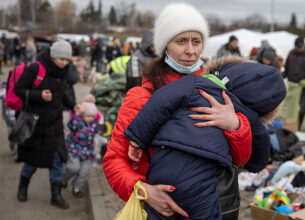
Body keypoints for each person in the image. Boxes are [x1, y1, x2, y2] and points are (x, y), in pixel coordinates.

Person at [103, 3, 266, 220]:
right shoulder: (142, 97)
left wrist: (235, 125)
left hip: (212, 206)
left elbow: (242, 159)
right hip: (158, 212)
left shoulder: (218, 91)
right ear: (164, 47)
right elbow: (114, 160)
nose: (190, 50)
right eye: (181, 41)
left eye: (196, 41)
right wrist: (143, 191)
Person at [125, 57, 286, 219]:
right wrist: (242, 123)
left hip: (162, 163)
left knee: (157, 215)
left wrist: (136, 139)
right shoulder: (247, 116)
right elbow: (258, 161)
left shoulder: (193, 83)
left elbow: (159, 103)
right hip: (199, 177)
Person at [14, 40, 83, 209]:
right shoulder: (36, 68)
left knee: (57, 161)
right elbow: (18, 89)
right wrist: (38, 95)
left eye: (67, 60)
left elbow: (61, 94)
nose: (64, 63)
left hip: (55, 125)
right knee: (32, 162)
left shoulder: (64, 72)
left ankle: (56, 195)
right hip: (37, 125)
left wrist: (73, 104)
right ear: (53, 56)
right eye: (61, 59)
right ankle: (22, 187)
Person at [62, 94, 99, 197]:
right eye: (88, 116)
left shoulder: (94, 124)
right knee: (73, 168)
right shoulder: (77, 122)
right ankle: (63, 179)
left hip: (88, 153)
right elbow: (71, 124)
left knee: (84, 172)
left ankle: (77, 187)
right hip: (75, 150)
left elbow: (97, 135)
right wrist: (77, 114)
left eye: (92, 116)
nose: (90, 119)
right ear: (83, 115)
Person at [283, 37, 305, 129]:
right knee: (288, 107)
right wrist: (282, 76)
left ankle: (298, 126)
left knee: (301, 107)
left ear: (304, 45)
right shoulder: (291, 53)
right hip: (291, 85)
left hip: (302, 86)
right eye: (297, 47)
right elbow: (287, 68)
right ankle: (287, 124)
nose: (299, 49)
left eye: (300, 47)